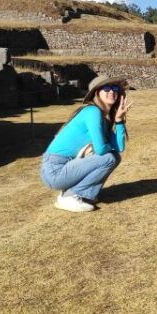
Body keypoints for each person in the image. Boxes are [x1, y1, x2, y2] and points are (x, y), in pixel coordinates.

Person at [39, 75, 131, 212]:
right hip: (55, 169)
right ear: (96, 93)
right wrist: (96, 150)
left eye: (115, 88)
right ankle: (70, 196)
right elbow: (101, 150)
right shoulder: (92, 112)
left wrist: (119, 121)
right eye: (106, 88)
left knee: (114, 156)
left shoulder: (104, 118)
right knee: (109, 157)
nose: (112, 91)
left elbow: (119, 147)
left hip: (65, 167)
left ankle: (80, 194)